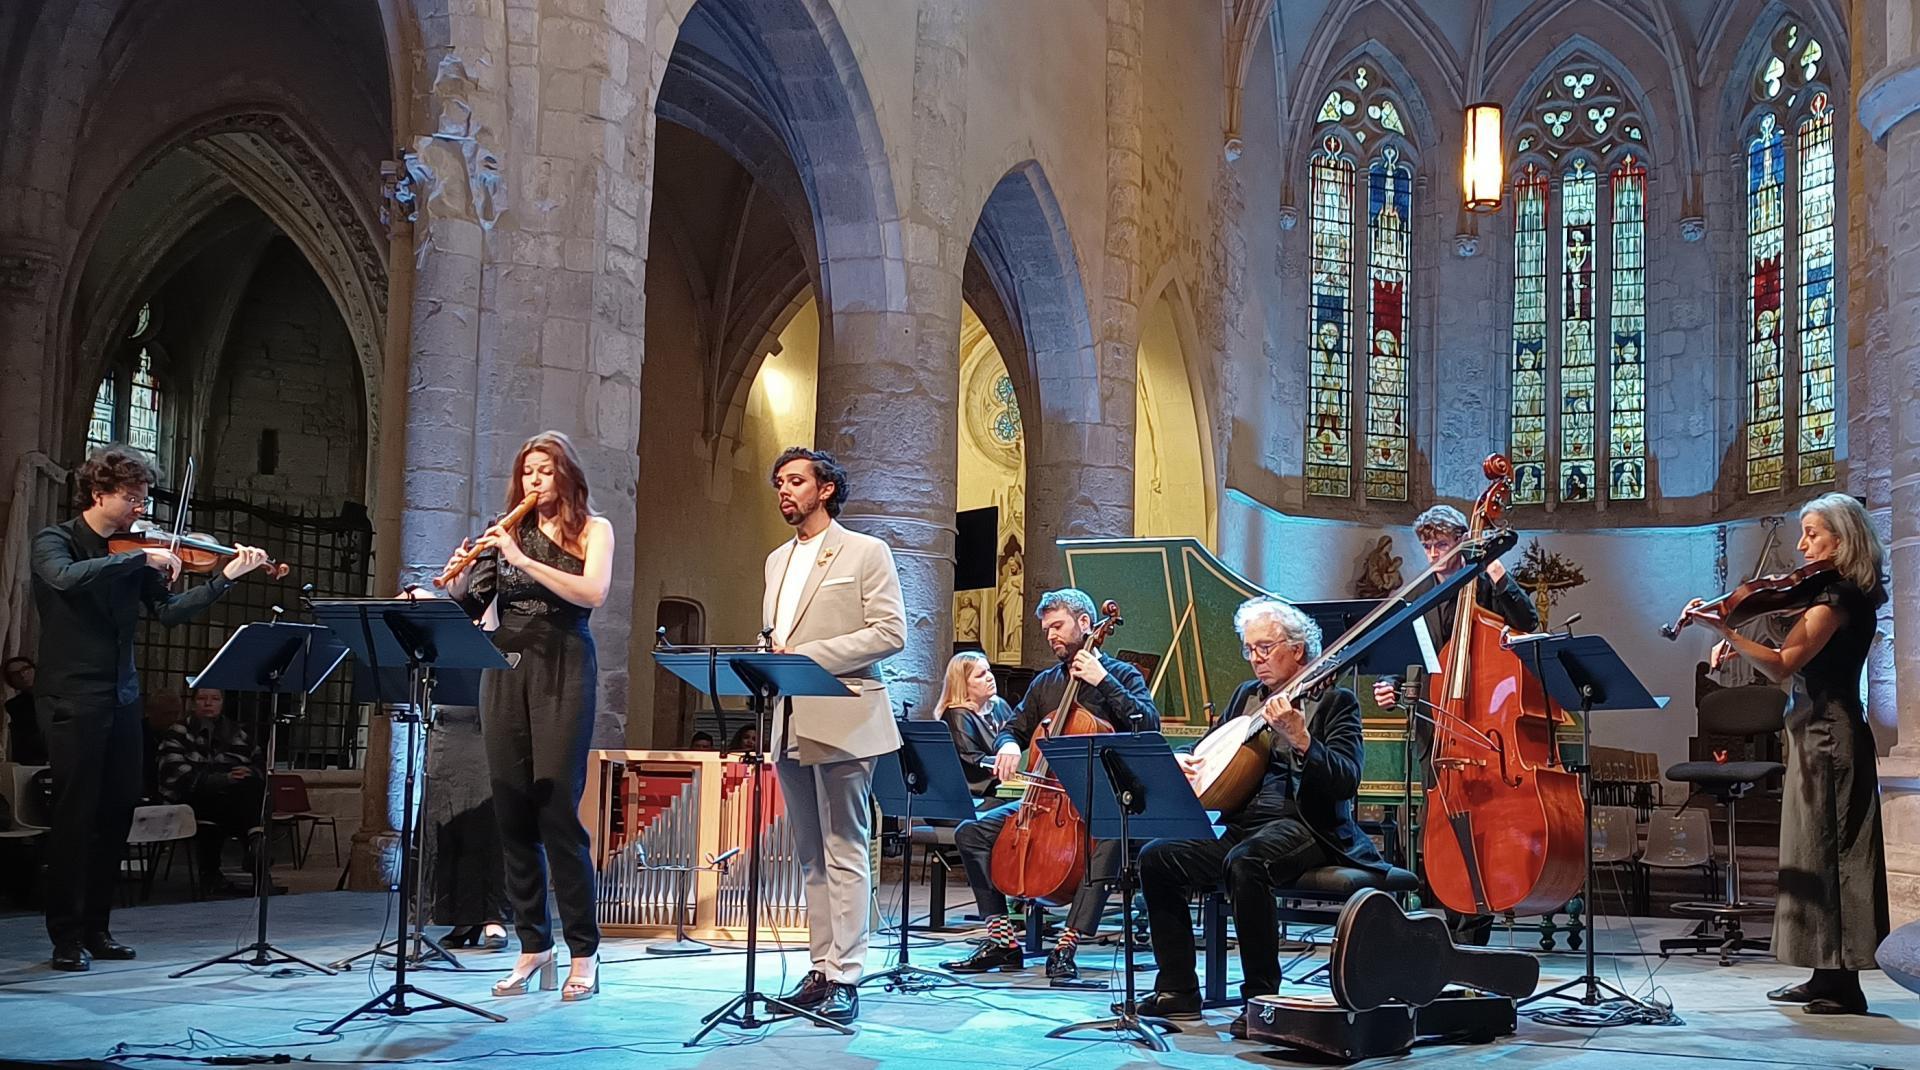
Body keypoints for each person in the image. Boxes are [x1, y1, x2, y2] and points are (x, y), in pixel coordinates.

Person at [30, 445, 270, 971]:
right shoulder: (56, 541)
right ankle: (64, 936)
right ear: (99, 495)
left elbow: (168, 614)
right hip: (71, 694)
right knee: (75, 818)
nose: (142, 508)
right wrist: (139, 557)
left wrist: (222, 580)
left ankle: (97, 928)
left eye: (143, 498)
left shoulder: (135, 552)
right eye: (132, 498)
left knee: (117, 814)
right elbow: (66, 579)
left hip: (121, 695)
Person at [1129, 596, 1385, 1037]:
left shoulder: (1334, 701)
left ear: (1298, 648)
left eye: (1265, 648)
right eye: (1249, 649)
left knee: (1247, 862)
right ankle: (1178, 991)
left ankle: (1261, 1000)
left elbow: (1345, 781)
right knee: (1157, 857)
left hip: (1308, 825)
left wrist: (1304, 740)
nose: (1255, 659)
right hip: (1244, 822)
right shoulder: (1247, 697)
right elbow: (1213, 751)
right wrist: (1187, 759)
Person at [1685, 493, 1890, 1015]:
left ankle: (1846, 982)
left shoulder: (1839, 600)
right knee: (1813, 854)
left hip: (1830, 735)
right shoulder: (1825, 597)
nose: (1801, 545)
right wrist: (1739, 633)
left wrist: (1726, 628)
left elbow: (1782, 664)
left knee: (1836, 854)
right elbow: (1788, 648)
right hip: (1812, 730)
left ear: (1842, 542)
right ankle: (1825, 975)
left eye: (1813, 534)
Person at [445, 430, 612, 1002]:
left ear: (564, 476)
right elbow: (472, 607)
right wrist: (450, 585)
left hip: (563, 667)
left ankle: (584, 952)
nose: (532, 482)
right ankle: (533, 945)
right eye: (526, 472)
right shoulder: (504, 533)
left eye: (543, 471)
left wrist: (520, 558)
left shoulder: (594, 530)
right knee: (512, 812)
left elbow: (592, 593)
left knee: (556, 810)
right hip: (504, 669)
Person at [941, 588, 1159, 984]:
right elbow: (1015, 727)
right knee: (971, 832)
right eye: (1046, 630)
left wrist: (1104, 680)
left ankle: (1067, 944)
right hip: (1046, 800)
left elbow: (1148, 725)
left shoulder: (1122, 675)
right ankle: (1003, 940)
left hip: (1106, 803)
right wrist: (1007, 744)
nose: (1051, 636)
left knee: (1109, 836)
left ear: (1086, 624)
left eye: (1057, 626)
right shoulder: (1045, 683)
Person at [761, 446, 906, 1025]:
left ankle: (848, 973)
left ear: (825, 489)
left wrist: (809, 655)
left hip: (845, 712)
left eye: (795, 481)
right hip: (788, 715)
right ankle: (820, 967)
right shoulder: (775, 560)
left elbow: (891, 631)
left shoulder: (866, 551)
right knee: (809, 852)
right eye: (779, 483)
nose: (784, 491)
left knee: (845, 845)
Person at [1372, 503, 1537, 946]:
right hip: (1436, 729)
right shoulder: (1419, 593)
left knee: (1483, 828)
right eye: (1426, 545)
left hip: (1482, 730)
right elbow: (1406, 655)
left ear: (1462, 541)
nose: (1432, 554)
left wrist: (1500, 575)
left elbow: (1528, 622)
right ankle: (1449, 925)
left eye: (1441, 544)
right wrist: (1388, 684)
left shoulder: (1485, 584)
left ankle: (1476, 925)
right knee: (1441, 830)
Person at [156, 688, 264, 894]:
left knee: (250, 786)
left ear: (222, 703)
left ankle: (252, 847)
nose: (208, 703)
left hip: (232, 799)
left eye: (215, 699)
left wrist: (248, 771)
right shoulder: (178, 732)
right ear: (193, 703)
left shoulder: (237, 733)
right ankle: (256, 847)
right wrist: (223, 778)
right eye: (202, 698)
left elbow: (259, 764)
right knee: (241, 797)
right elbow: (176, 774)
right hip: (191, 799)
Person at [425, 704, 510, 951]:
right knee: (452, 820)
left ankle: (493, 916)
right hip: (448, 725)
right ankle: (463, 918)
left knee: (489, 821)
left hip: (490, 719)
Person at [934, 651, 1015, 796]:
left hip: (1006, 784)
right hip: (977, 792)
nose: (990, 677)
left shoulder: (1000, 705)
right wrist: (1009, 764)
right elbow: (973, 760)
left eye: (989, 671)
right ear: (963, 684)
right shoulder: (957, 714)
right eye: (981, 675)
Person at [5, 656, 47, 764]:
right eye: (15, 674)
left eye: (25, 669)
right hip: (37, 757)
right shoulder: (15, 705)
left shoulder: (56, 695)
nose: (22, 675)